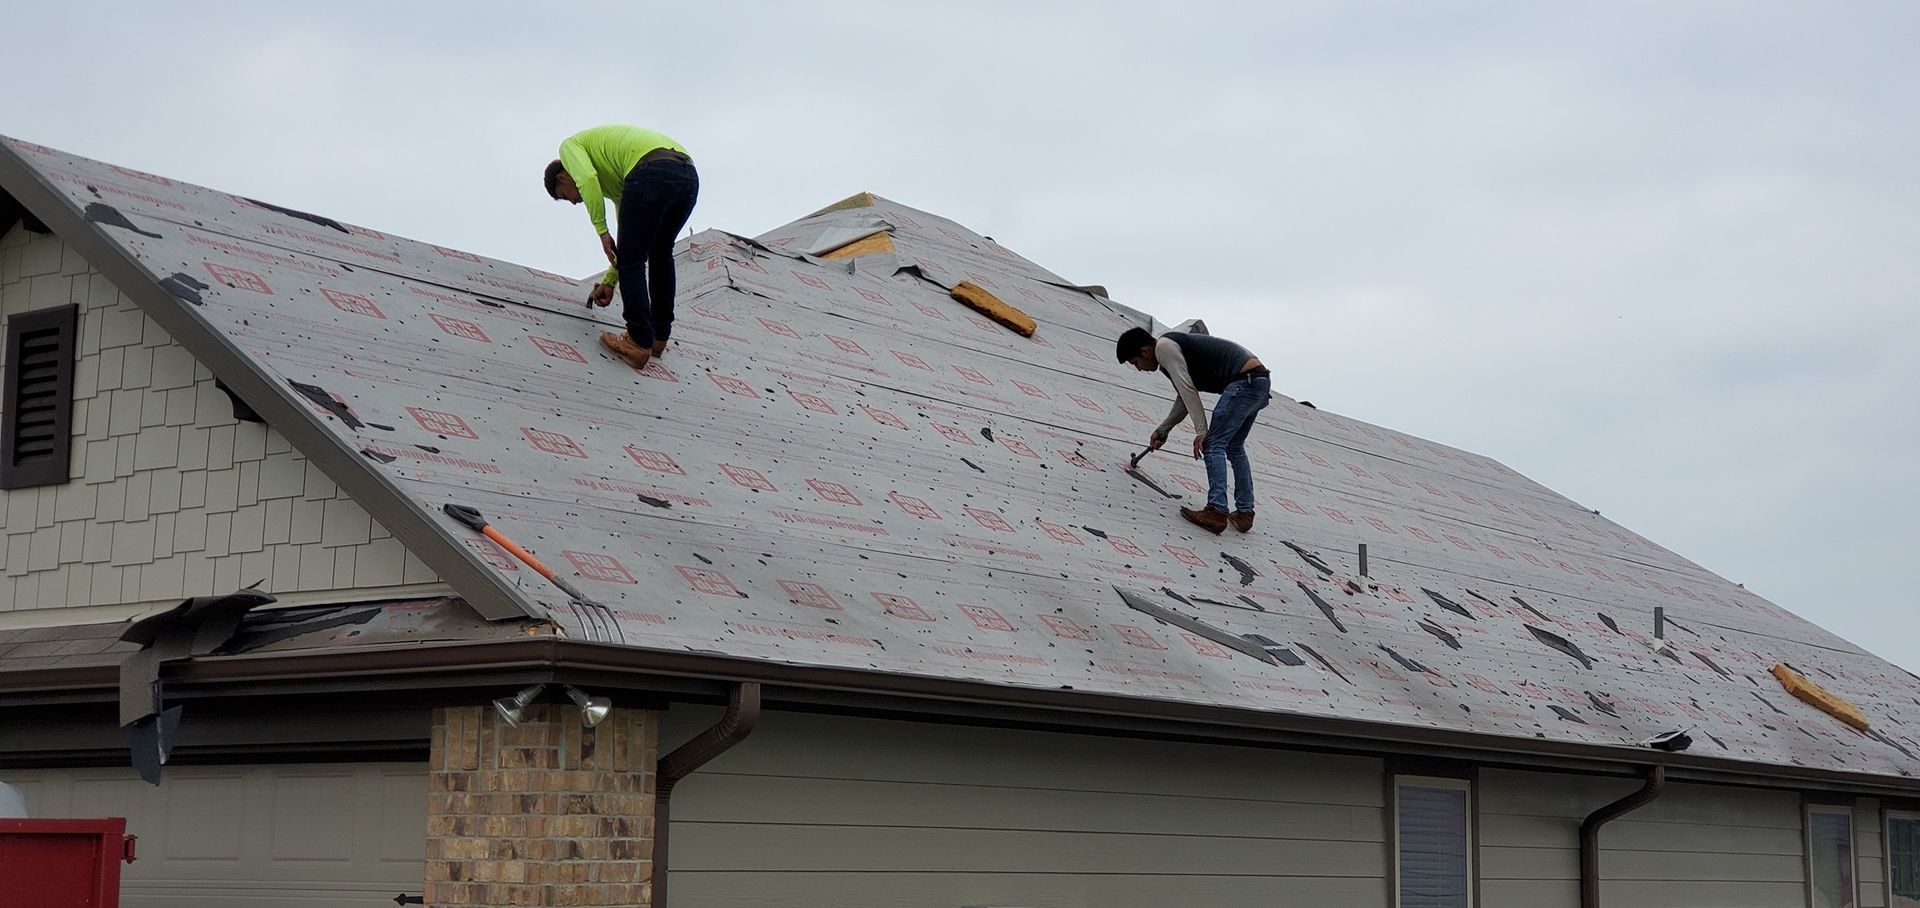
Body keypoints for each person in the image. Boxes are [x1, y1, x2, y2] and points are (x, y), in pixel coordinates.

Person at [544, 125, 700, 371]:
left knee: (637, 258)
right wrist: (610, 280)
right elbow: (628, 243)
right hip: (686, 175)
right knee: (660, 253)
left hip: (651, 170)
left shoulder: (568, 148)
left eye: (565, 196)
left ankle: (638, 341)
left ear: (563, 176)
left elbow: (586, 179)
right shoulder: (618, 181)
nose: (574, 202)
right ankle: (659, 337)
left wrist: (601, 230)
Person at [1117, 326, 1271, 534]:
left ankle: (1216, 511)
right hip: (1258, 382)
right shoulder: (1172, 351)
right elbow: (1184, 395)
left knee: (1213, 444)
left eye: (1136, 363)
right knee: (1234, 447)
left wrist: (1202, 431)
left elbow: (1188, 390)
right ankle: (1244, 513)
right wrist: (1164, 429)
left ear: (1144, 351)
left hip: (1244, 382)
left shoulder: (1163, 347)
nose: (1139, 369)